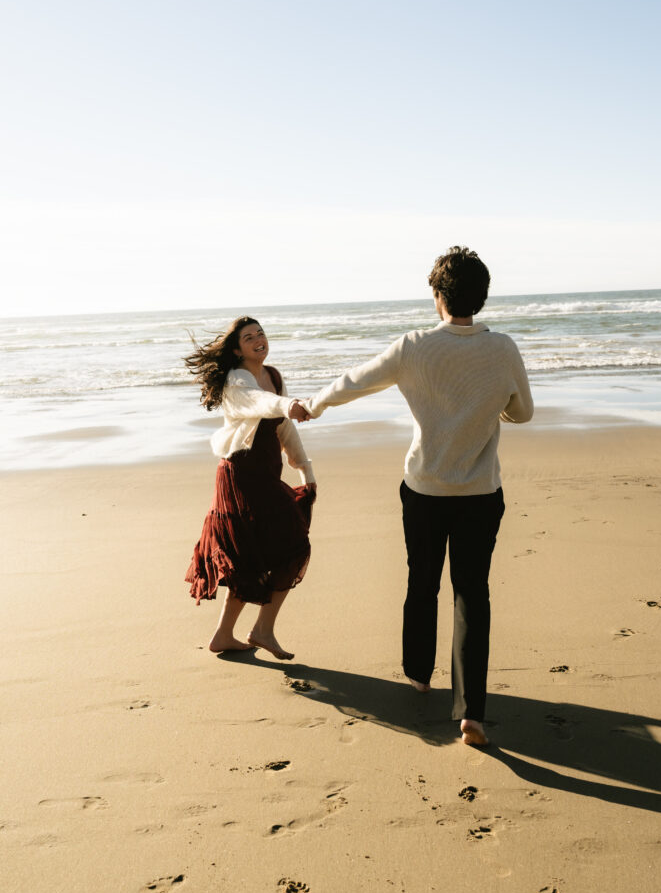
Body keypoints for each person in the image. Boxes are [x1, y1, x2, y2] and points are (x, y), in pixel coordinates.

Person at [305, 247, 533, 746]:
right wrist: (496, 410)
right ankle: (471, 712)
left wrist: (315, 406)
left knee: (422, 579)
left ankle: (419, 674)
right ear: (483, 298)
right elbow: (524, 412)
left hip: (425, 490)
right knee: (472, 592)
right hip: (479, 492)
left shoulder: (413, 347)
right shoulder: (503, 348)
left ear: (437, 296)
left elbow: (356, 381)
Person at [184, 316, 316, 661]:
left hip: (266, 473)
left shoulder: (272, 375)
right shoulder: (236, 381)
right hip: (240, 475)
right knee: (288, 546)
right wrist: (287, 404)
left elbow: (282, 427)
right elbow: (262, 404)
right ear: (237, 348)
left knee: (254, 555)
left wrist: (304, 468)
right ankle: (261, 630)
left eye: (261, 334)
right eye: (249, 337)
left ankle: (224, 635)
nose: (259, 339)